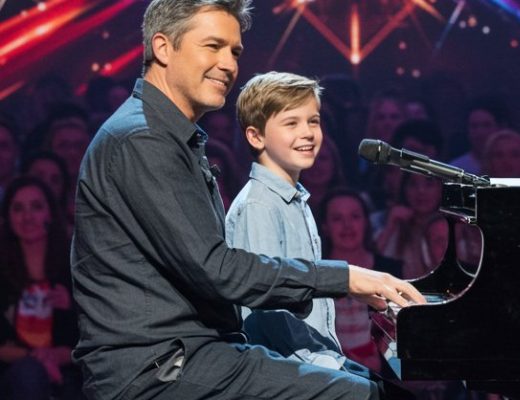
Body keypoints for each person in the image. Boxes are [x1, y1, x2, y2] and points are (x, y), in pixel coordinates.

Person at [70, 1, 424, 400]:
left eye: (234, 52)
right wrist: (345, 279)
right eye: (213, 46)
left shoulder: (165, 136)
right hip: (157, 369)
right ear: (163, 47)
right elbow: (217, 270)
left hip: (195, 355)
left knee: (383, 390)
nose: (228, 65)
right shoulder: (143, 139)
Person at [226, 70, 349, 371]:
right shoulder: (259, 205)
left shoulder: (293, 199)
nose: (307, 132)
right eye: (291, 123)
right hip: (289, 366)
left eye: (313, 121)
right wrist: (325, 367)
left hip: (313, 357)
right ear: (256, 136)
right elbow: (268, 303)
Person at [0, 176, 80, 400]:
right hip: (13, 374)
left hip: (70, 370)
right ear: (8, 217)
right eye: (18, 208)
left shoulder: (75, 266)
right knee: (29, 375)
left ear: (50, 214)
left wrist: (71, 306)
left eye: (36, 207)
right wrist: (38, 358)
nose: (28, 217)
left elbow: (93, 338)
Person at [318, 188, 403, 372]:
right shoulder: (315, 275)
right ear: (325, 226)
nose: (347, 226)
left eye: (355, 216)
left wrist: (382, 364)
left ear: (366, 222)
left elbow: (403, 337)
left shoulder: (392, 271)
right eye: (337, 218)